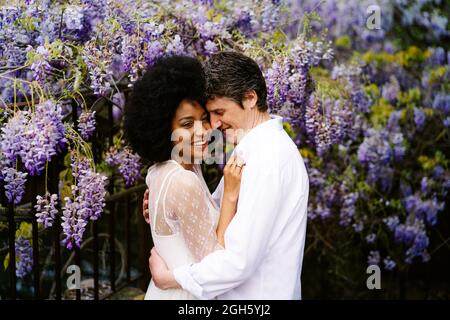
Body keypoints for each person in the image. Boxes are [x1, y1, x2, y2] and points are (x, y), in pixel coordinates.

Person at [144, 51, 310, 300]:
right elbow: (216, 216)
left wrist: (171, 278)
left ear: (250, 98)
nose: (215, 124)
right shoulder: (250, 152)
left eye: (219, 112)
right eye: (210, 114)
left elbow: (237, 261)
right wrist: (168, 208)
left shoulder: (269, 159)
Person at [124, 55, 245, 299]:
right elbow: (214, 263)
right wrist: (231, 195)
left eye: (203, 120)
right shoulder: (183, 180)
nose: (202, 132)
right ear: (163, 127)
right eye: (187, 124)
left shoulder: (167, 170)